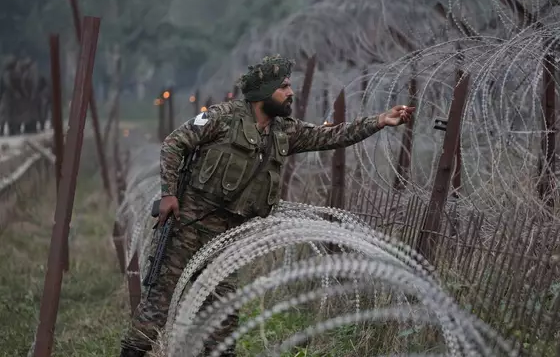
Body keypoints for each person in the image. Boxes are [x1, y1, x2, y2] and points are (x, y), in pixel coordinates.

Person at [119, 55, 415, 357]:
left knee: (223, 316)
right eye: (284, 87)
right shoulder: (222, 117)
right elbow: (173, 143)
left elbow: (331, 135)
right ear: (264, 93)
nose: (290, 93)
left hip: (225, 237)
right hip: (187, 224)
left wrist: (380, 120)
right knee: (158, 305)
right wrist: (169, 194)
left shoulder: (283, 131)